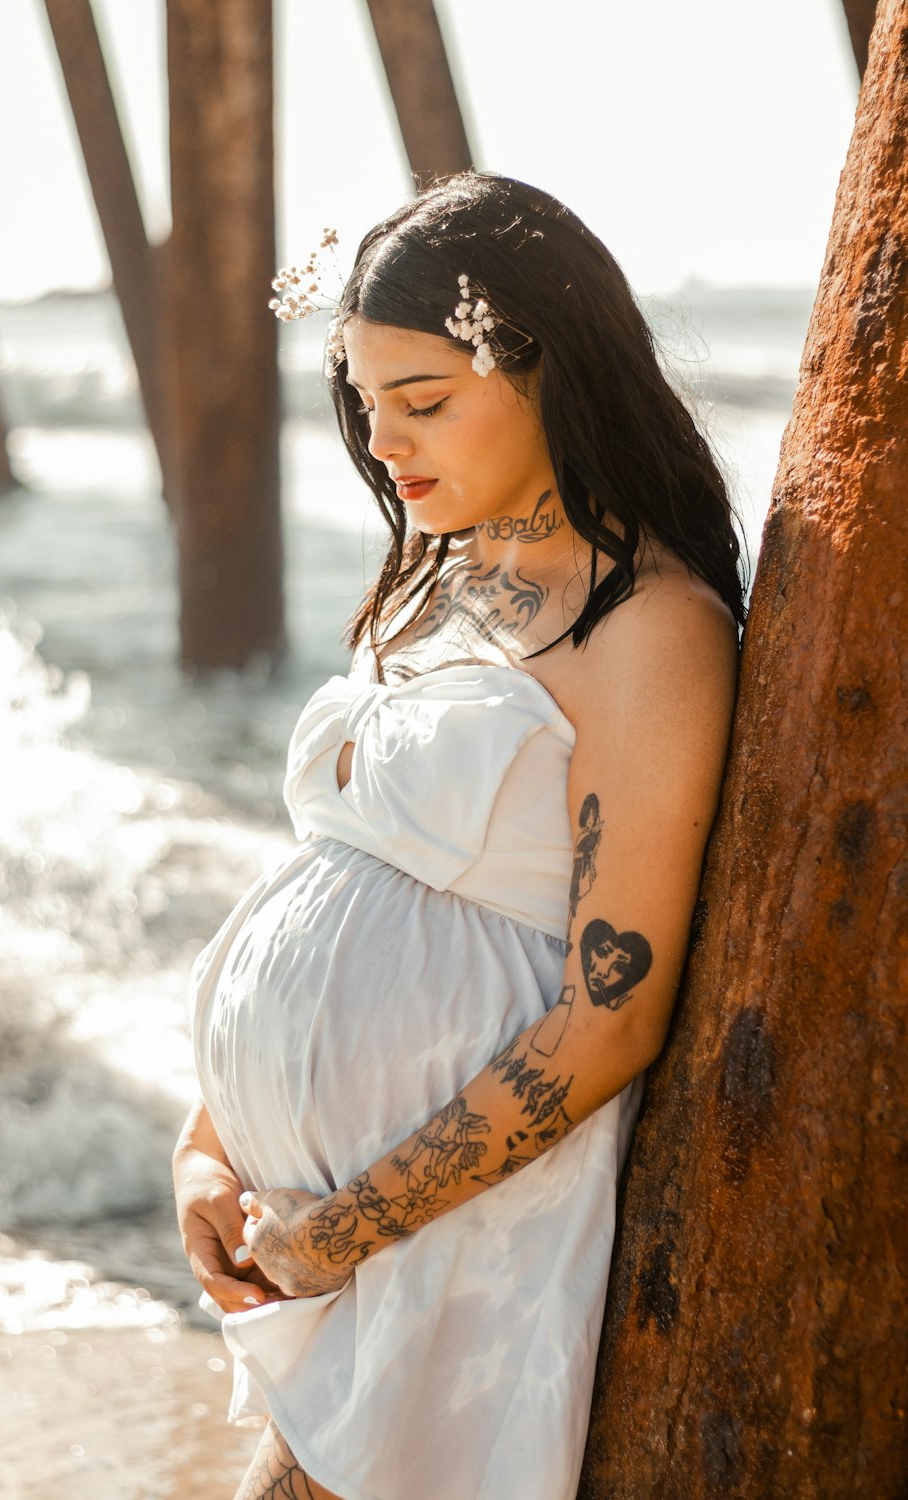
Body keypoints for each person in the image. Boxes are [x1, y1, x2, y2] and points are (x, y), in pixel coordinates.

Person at [173, 172, 745, 1500]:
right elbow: (332, 876)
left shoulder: (647, 632)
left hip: (461, 1240)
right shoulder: (435, 586)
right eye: (367, 405)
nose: (385, 444)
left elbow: (612, 1017)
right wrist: (208, 1144)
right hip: (315, 1229)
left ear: (552, 372)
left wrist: (349, 1230)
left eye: (423, 402)